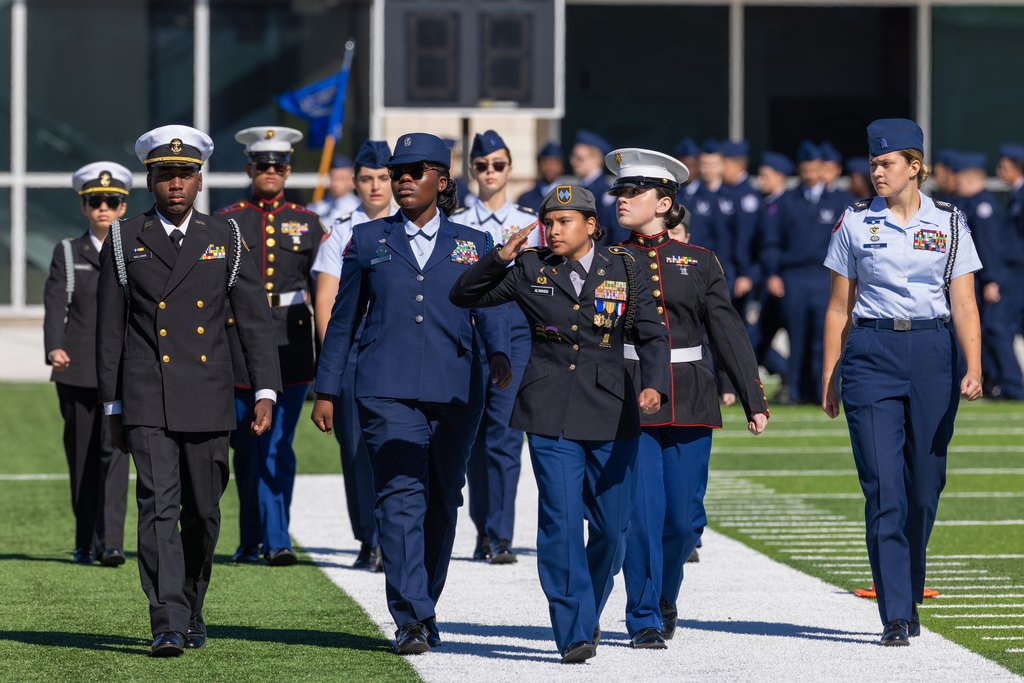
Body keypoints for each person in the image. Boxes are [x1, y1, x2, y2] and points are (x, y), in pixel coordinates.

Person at [450, 184, 670, 664]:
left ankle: (585, 606)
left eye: (563, 221)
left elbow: (652, 333)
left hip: (613, 410)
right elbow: (464, 294)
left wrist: (654, 385)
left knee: (613, 531)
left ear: (591, 226)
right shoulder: (529, 267)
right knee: (562, 521)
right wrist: (500, 256)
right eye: (548, 222)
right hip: (549, 410)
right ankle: (572, 629)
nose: (552, 230)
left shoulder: (625, 268)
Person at [310, 132, 510, 655]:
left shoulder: (475, 243)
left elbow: (489, 311)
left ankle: (425, 604)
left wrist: (502, 360)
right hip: (384, 388)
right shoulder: (367, 240)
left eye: (414, 171)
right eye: (397, 171)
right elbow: (344, 321)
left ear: (442, 181)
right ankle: (411, 618)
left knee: (443, 501)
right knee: (399, 497)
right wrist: (327, 388)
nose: (401, 180)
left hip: (457, 390)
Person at [96, 125, 281, 656]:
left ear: (199, 180)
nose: (175, 183)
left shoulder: (225, 238)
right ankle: (167, 620)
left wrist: (266, 388)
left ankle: (193, 604)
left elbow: (253, 320)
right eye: (164, 175)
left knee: (203, 510)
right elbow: (111, 329)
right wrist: (112, 404)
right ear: (149, 181)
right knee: (157, 506)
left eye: (184, 174)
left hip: (208, 392)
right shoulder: (124, 238)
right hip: (147, 391)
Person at [822, 118, 983, 647]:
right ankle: (895, 611)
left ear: (915, 166)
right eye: (872, 163)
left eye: (887, 163)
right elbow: (838, 306)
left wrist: (974, 366)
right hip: (871, 353)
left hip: (933, 352)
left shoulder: (952, 222)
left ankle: (910, 586)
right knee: (884, 487)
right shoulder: (853, 223)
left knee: (924, 486)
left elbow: (963, 301)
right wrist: (830, 376)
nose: (877, 172)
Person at [606, 148, 769, 649]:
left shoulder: (699, 262)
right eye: (620, 192)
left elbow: (727, 330)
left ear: (664, 201)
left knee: (683, 520)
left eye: (634, 192)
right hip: (632, 397)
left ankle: (665, 595)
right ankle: (643, 617)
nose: (622, 200)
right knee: (641, 518)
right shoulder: (609, 259)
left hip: (693, 396)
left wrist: (752, 397)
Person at [216, 126, 325, 565]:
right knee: (245, 446)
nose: (271, 171)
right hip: (238, 343)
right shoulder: (227, 219)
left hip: (291, 342)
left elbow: (324, 289)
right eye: (263, 165)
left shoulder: (310, 222)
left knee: (278, 442)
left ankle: (278, 538)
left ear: (288, 169)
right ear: (249, 168)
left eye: (279, 165)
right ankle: (250, 537)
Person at [453, 130, 540, 564]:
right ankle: (482, 527)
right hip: (467, 333)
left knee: (506, 435)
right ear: (472, 170)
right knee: (472, 435)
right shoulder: (456, 223)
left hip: (516, 332)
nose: (490, 173)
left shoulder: (530, 223)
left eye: (499, 165)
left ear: (510, 169)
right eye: (482, 166)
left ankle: (499, 534)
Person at [43, 162, 132, 568]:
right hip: (77, 370)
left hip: (122, 371)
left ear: (123, 208)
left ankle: (111, 542)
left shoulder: (134, 248)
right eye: (95, 202)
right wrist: (54, 347)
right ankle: (85, 540)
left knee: (115, 453)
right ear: (84, 207)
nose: (103, 208)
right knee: (81, 457)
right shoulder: (67, 251)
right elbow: (55, 304)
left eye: (111, 202)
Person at [311, 138, 394, 571]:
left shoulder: (410, 224)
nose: (376, 187)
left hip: (397, 352)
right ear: (355, 183)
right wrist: (334, 364)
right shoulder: (341, 230)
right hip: (355, 355)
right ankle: (369, 537)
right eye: (367, 179)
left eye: (383, 178)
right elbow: (325, 303)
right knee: (357, 450)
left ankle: (394, 533)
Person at [764, 141, 847, 404]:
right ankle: (796, 392)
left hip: (825, 277)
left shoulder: (840, 201)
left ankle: (821, 390)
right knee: (796, 335)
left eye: (815, 168)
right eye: (806, 169)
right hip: (794, 277)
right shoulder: (787, 201)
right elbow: (771, 242)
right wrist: (773, 273)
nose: (811, 174)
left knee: (823, 337)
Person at [953, 153, 1024, 400]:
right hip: (998, 275)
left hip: (1007, 275)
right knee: (989, 328)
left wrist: (992, 279)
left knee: (997, 328)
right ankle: (998, 383)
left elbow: (989, 246)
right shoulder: (976, 202)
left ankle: (1012, 386)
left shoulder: (983, 205)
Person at [570, 130, 626, 244]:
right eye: (573, 157)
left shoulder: (607, 192)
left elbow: (615, 234)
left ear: (596, 159)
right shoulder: (581, 188)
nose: (573, 162)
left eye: (579, 158)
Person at [308, 154, 359, 224]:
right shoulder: (316, 207)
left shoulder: (359, 209)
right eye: (332, 178)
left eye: (341, 179)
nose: (335, 183)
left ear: (353, 182)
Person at [517, 142, 565, 213]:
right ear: (539, 165)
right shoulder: (526, 199)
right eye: (546, 163)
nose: (550, 168)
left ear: (562, 166)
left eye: (554, 163)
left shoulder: (570, 197)